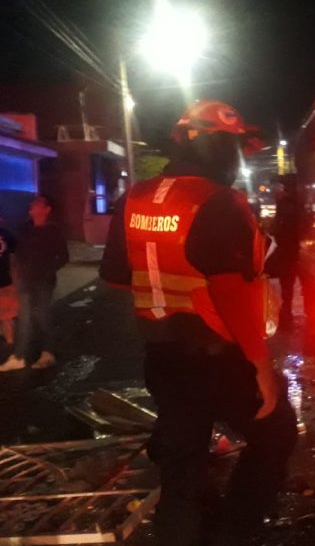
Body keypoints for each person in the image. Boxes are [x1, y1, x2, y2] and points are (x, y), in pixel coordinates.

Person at [100, 100, 298, 546]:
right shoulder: (217, 200)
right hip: (219, 357)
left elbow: (115, 276)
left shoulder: (134, 198)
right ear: (212, 144)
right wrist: (261, 367)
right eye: (232, 145)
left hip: (163, 357)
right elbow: (229, 291)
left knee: (182, 470)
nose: (237, 156)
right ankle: (232, 532)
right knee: (276, 433)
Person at [0, 195, 68, 372]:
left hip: (44, 281)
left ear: (46, 209)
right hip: (25, 281)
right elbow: (17, 253)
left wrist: (47, 269)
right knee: (25, 317)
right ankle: (19, 356)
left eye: (37, 205)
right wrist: (18, 273)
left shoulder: (53, 230)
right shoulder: (25, 229)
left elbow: (63, 256)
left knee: (43, 316)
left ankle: (47, 353)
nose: (32, 207)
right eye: (32, 205)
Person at [268, 174, 302, 329]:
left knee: (287, 285)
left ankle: (286, 314)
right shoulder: (300, 201)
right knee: (291, 284)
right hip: (298, 250)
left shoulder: (284, 204)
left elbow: (277, 228)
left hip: (288, 251)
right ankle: (287, 313)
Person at [0, 218, 18, 352]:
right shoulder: (9, 235)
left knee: (6, 316)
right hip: (6, 280)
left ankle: (10, 344)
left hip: (5, 281)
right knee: (6, 316)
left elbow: (15, 257)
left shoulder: (9, 235)